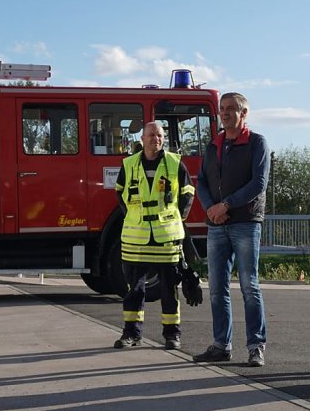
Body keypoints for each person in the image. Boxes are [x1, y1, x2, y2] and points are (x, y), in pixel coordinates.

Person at [193, 92, 270, 367]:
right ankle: (221, 345)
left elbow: (258, 183)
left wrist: (226, 205)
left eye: (230, 109)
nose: (224, 113)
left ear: (243, 113)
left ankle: (255, 346)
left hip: (246, 224)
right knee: (217, 288)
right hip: (217, 226)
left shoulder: (257, 143)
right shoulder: (214, 146)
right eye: (222, 109)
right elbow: (201, 181)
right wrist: (211, 208)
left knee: (249, 286)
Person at [113, 122, 195, 350]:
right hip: (135, 239)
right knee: (134, 291)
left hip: (166, 238)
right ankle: (131, 335)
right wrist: (132, 214)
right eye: (151, 135)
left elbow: (188, 192)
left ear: (163, 139)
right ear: (142, 138)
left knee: (169, 291)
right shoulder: (128, 164)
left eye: (159, 135)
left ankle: (172, 335)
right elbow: (119, 191)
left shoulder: (174, 162)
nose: (155, 139)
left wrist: (178, 218)